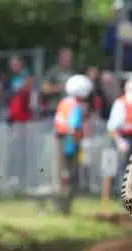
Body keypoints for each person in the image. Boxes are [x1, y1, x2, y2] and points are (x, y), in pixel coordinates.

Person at [52, 74, 93, 214]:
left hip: (60, 140)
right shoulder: (75, 106)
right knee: (69, 174)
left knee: (61, 174)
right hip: (69, 143)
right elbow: (73, 127)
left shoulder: (64, 103)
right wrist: (79, 140)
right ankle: (65, 207)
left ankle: (60, 205)